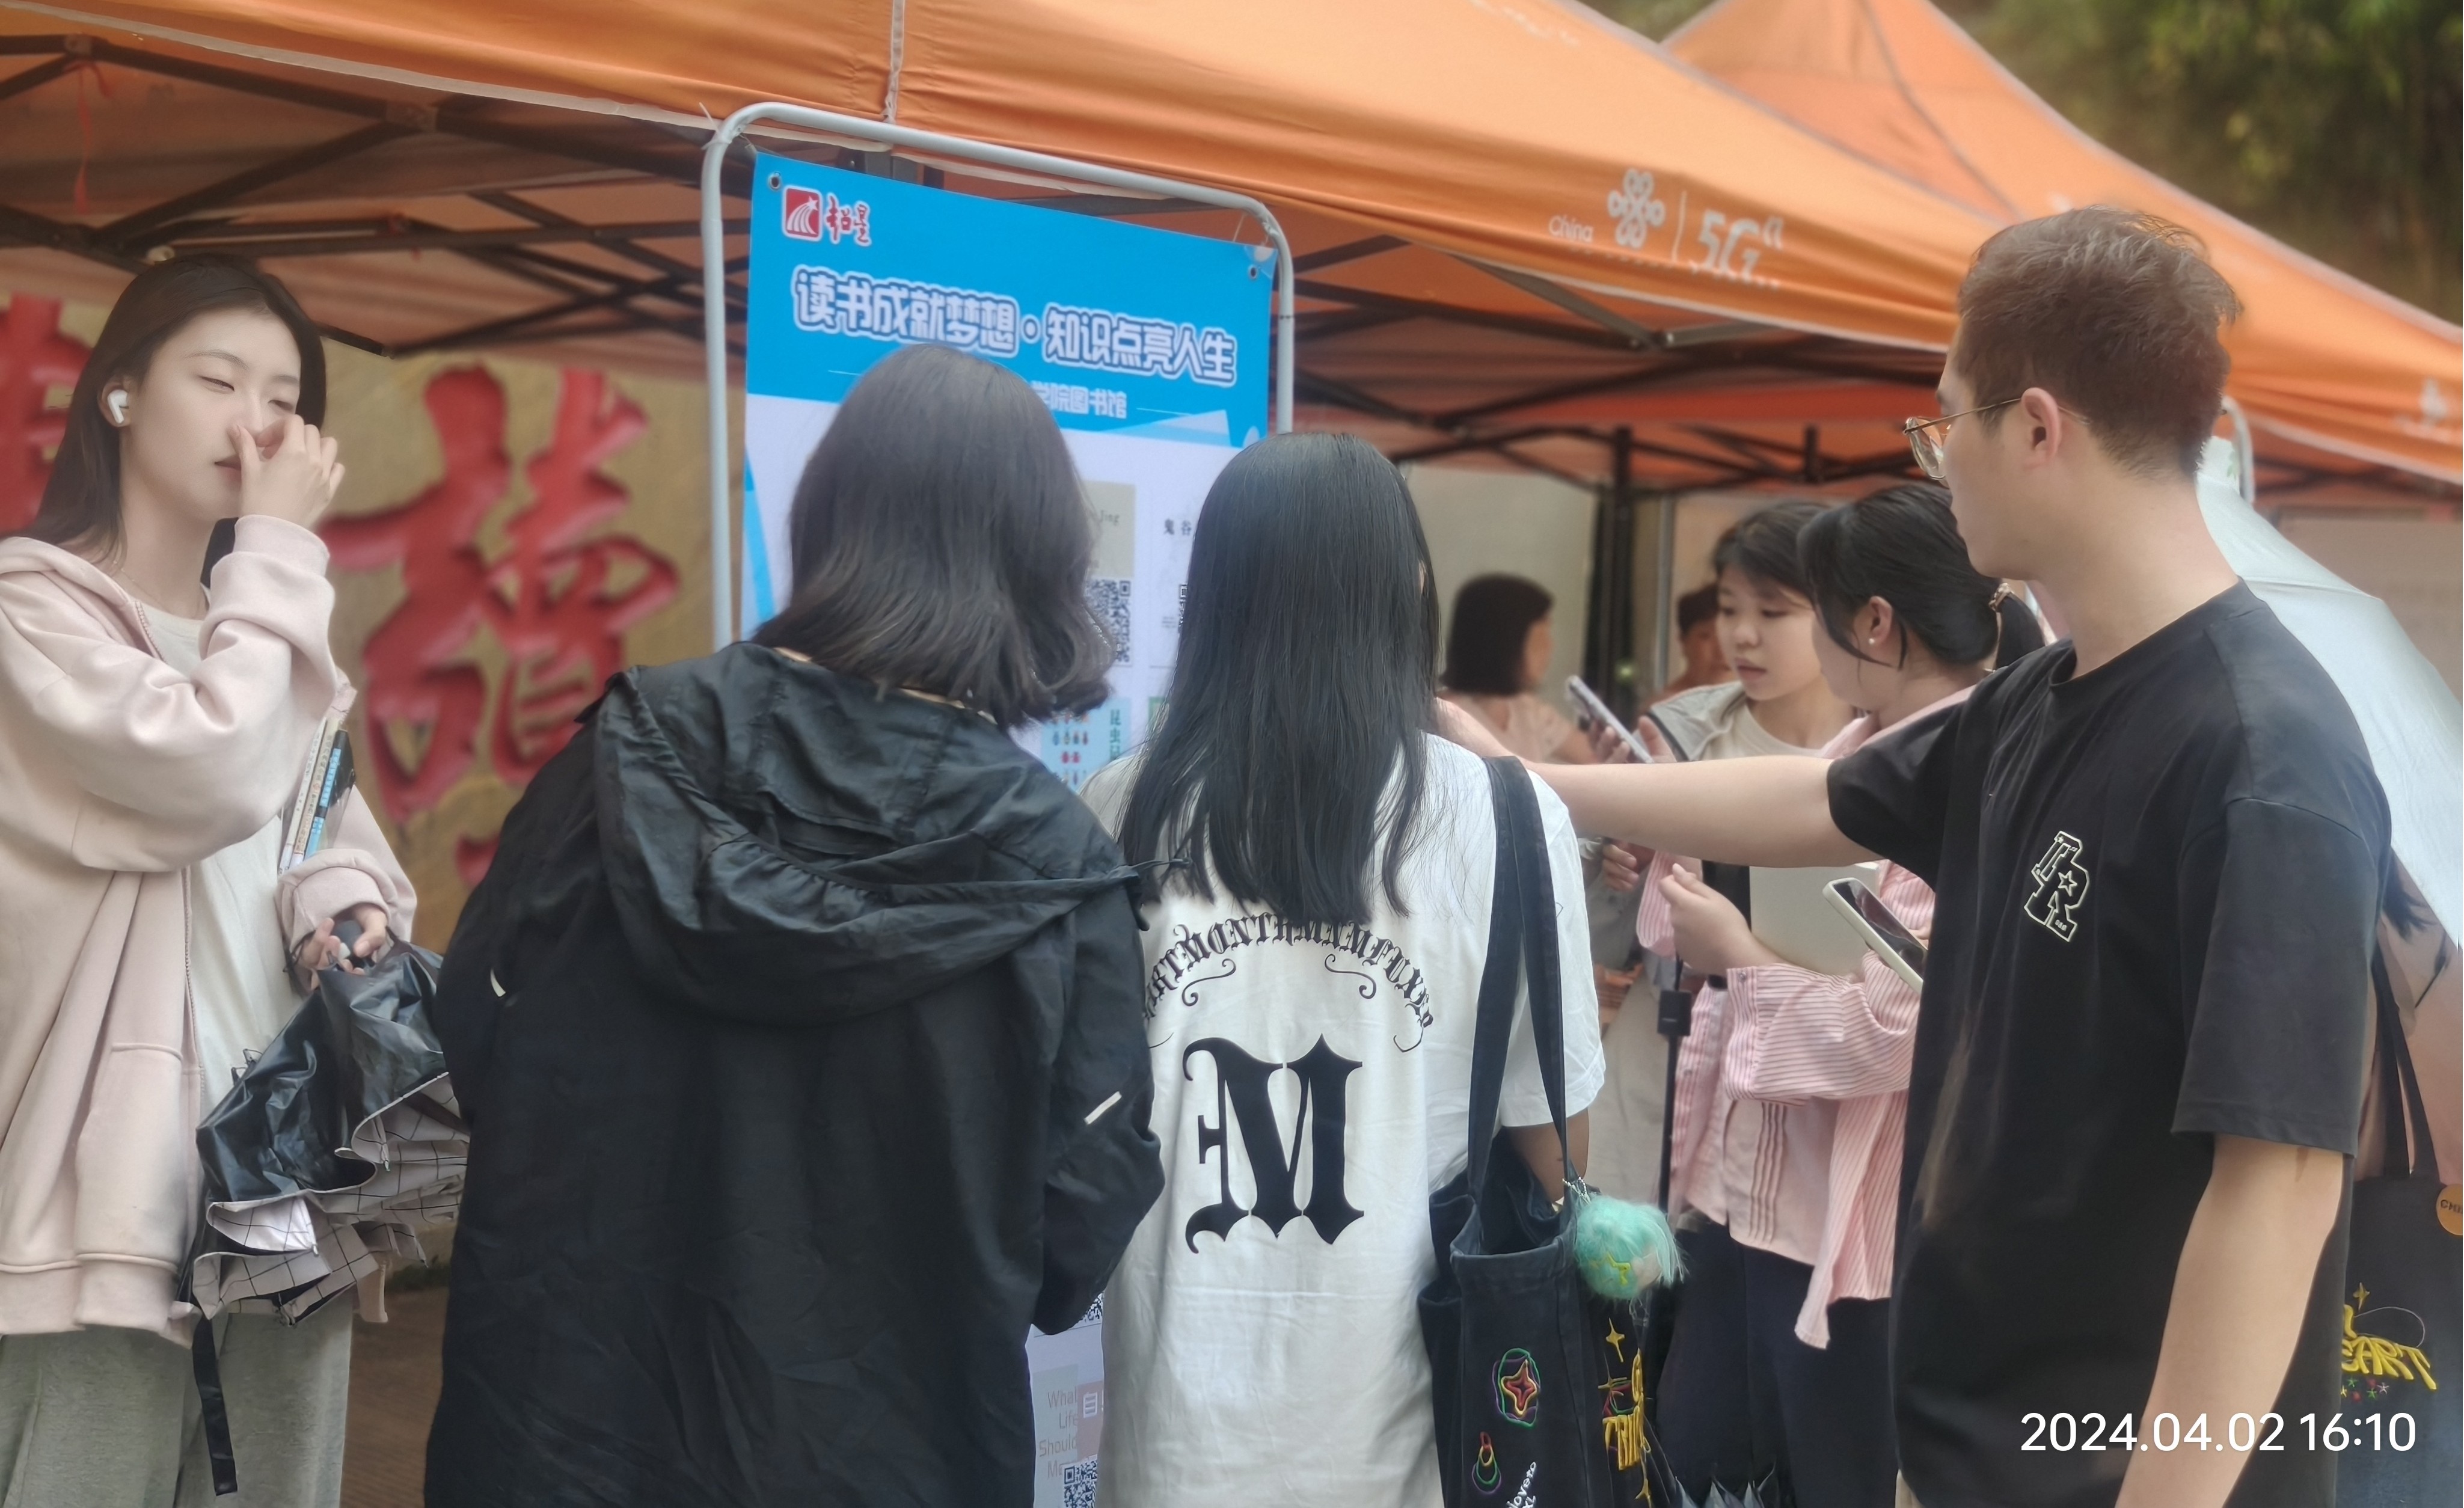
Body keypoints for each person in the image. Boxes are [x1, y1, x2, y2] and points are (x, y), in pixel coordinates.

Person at [1442, 209, 2388, 1508]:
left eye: (1942, 426)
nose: (1935, 465)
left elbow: (2275, 1193)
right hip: (1957, 1449)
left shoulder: (2262, 754)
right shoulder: (2038, 697)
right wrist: (1524, 783)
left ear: (2037, 428)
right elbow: (1817, 794)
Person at [422, 345, 1164, 1507]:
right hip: (897, 1459)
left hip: (568, 1439)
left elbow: (474, 1037)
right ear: (1039, 566)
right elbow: (1073, 1240)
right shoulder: (1060, 877)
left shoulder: (618, 760)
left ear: (826, 522)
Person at [1083, 434, 1604, 1508]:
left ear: (1212, 595)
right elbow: (1554, 1141)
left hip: (1174, 1421)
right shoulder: (1506, 816)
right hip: (1423, 1416)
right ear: (1407, 590)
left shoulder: (1123, 805)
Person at [0, 255, 412, 1506]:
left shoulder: (264, 630)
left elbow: (317, 822)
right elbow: (208, 768)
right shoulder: (31, 610)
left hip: (283, 1156)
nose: (257, 423)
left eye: (284, 398)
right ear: (119, 393)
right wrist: (278, 547)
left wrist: (345, 905)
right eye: (220, 381)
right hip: (107, 1181)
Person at [1642, 483, 2043, 1508]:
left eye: (1794, 611)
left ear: (1871, 624)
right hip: (1744, 1196)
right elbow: (1673, 929)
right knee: (1700, 1467)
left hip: (1855, 1232)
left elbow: (1894, 1025)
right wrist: (1690, 888)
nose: (1749, 636)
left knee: (1827, 1473)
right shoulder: (1853, 757)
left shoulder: (1976, 772)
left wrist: (1738, 957)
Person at [1578, 504, 1853, 1213]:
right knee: (1625, 1265)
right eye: (1729, 608)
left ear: (1843, 613)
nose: (1742, 634)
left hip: (1795, 1083)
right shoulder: (1680, 732)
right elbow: (1602, 941)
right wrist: (1621, 861)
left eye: (1773, 612)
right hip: (1658, 1060)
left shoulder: (1879, 752)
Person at [1440, 572, 1596, 762]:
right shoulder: (1443, 716)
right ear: (1504, 642)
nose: (1550, 647)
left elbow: (1595, 758)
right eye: (1539, 637)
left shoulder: (1530, 711)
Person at [1652, 581, 1732, 703]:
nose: (1721, 652)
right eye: (1706, 636)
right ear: (1683, 642)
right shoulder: (1668, 707)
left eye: (1730, 637)